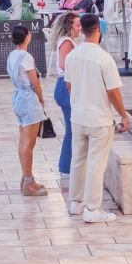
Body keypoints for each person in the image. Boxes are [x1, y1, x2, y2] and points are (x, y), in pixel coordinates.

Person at [65, 11, 128, 223]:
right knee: (96, 163)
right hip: (99, 119)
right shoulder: (104, 58)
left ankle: (76, 203)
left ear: (81, 30)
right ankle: (92, 208)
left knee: (78, 160)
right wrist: (123, 115)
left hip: (78, 116)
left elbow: (69, 84)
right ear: (99, 31)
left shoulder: (73, 55)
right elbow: (114, 92)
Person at [8, 25, 48, 197]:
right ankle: (29, 182)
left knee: (23, 140)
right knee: (29, 143)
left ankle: (26, 177)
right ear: (25, 37)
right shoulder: (26, 57)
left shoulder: (12, 55)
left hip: (17, 97)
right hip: (28, 98)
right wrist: (41, 98)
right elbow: (35, 82)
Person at [51, 11, 82, 178]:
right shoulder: (67, 42)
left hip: (65, 87)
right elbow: (64, 65)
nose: (80, 28)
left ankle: (68, 167)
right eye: (77, 25)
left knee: (73, 129)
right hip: (65, 87)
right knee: (72, 130)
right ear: (70, 27)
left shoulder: (68, 41)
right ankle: (66, 168)